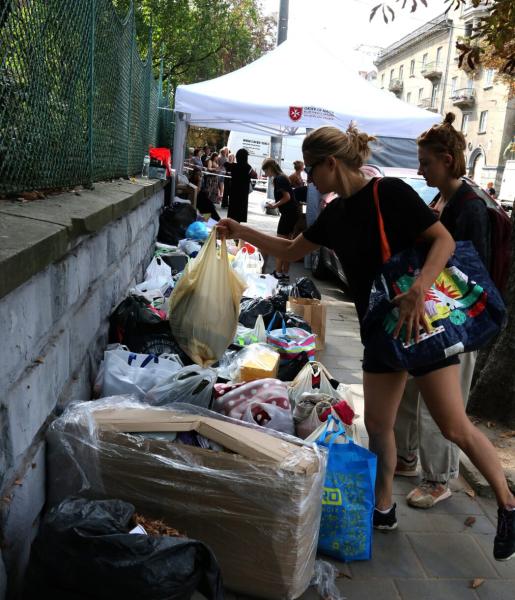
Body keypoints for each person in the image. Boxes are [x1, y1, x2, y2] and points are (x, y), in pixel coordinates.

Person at [216, 124, 515, 562]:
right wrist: (240, 230)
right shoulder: (335, 214)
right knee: (378, 424)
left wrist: (418, 291)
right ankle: (384, 506)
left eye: (312, 168)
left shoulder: (390, 193)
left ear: (330, 163)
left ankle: (508, 506)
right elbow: (291, 248)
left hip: (420, 324)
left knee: (453, 426)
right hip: (379, 329)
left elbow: (444, 241)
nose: (309, 178)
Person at [395, 112, 491, 508]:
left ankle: (438, 479)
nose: (420, 169)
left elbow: (471, 272)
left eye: (425, 162)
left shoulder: (469, 206)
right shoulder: (445, 199)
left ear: (447, 160)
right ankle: (406, 456)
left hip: (454, 323)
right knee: (411, 390)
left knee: (442, 404)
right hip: (433, 316)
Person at [262, 158, 301, 280]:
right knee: (287, 244)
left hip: (289, 213)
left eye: (265, 171)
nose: (265, 174)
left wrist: (274, 205)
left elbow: (287, 197)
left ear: (270, 168)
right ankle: (285, 272)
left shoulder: (279, 179)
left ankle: (278, 272)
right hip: (292, 212)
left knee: (280, 244)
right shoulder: (282, 177)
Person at [227, 148, 257, 223]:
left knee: (232, 209)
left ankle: (230, 224)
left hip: (233, 190)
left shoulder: (233, 166)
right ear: (245, 157)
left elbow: (227, 168)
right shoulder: (247, 167)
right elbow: (254, 175)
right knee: (240, 210)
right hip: (243, 192)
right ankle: (237, 225)